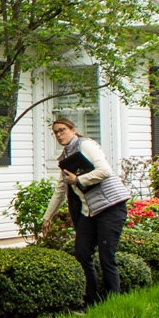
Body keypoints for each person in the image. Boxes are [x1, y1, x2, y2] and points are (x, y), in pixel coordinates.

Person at [40, 114, 130, 304]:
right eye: (55, 132)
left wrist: (79, 180)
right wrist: (47, 217)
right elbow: (61, 190)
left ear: (73, 130)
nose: (58, 135)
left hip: (111, 206)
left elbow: (105, 171)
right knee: (81, 252)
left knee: (107, 257)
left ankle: (115, 301)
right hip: (91, 211)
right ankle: (92, 300)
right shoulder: (64, 158)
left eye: (62, 130)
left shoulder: (86, 145)